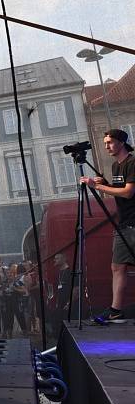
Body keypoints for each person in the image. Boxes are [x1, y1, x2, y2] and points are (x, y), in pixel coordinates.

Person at [81, 128, 135, 321]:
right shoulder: (115, 166)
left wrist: (98, 186)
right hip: (124, 223)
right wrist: (106, 184)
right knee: (117, 267)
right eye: (105, 143)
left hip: (134, 224)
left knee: (120, 267)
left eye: (109, 142)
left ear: (121, 142)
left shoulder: (132, 162)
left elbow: (128, 192)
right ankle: (115, 310)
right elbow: (118, 190)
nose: (106, 146)